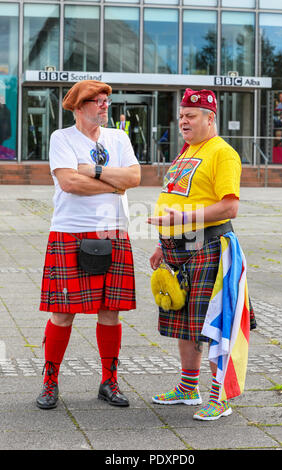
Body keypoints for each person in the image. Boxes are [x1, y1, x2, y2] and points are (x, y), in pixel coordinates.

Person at [147, 88, 256, 421]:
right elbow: (178, 196)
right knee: (184, 320)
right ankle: (187, 388)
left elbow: (229, 206)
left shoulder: (222, 153)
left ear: (210, 118)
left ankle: (219, 396)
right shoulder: (187, 152)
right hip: (179, 248)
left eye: (190, 116)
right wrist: (162, 242)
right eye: (181, 116)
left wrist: (180, 221)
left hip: (209, 246)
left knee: (212, 324)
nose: (183, 121)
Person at [36, 80, 141, 410]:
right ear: (79, 108)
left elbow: (135, 178)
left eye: (106, 100)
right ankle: (50, 382)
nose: (104, 105)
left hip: (113, 231)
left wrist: (92, 171)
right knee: (63, 312)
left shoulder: (119, 138)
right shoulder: (62, 138)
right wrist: (113, 184)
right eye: (97, 101)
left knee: (110, 311)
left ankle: (109, 381)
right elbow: (69, 183)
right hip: (71, 231)